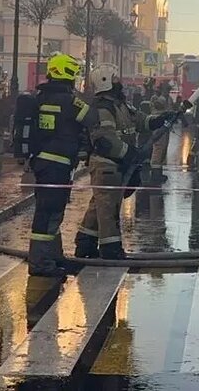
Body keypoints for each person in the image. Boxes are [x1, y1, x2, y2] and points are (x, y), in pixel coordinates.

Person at [20, 53, 97, 277]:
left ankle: (54, 258)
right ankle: (40, 264)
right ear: (68, 74)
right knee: (48, 213)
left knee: (52, 212)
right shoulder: (71, 101)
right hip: (59, 165)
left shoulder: (40, 98)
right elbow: (92, 118)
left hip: (43, 163)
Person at [75, 63, 149, 260]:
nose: (119, 83)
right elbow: (106, 141)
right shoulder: (103, 108)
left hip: (116, 164)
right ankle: (110, 249)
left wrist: (161, 119)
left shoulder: (120, 104)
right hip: (106, 164)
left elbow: (141, 121)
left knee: (100, 203)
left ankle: (85, 242)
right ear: (106, 82)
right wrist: (130, 154)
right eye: (115, 79)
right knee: (109, 208)